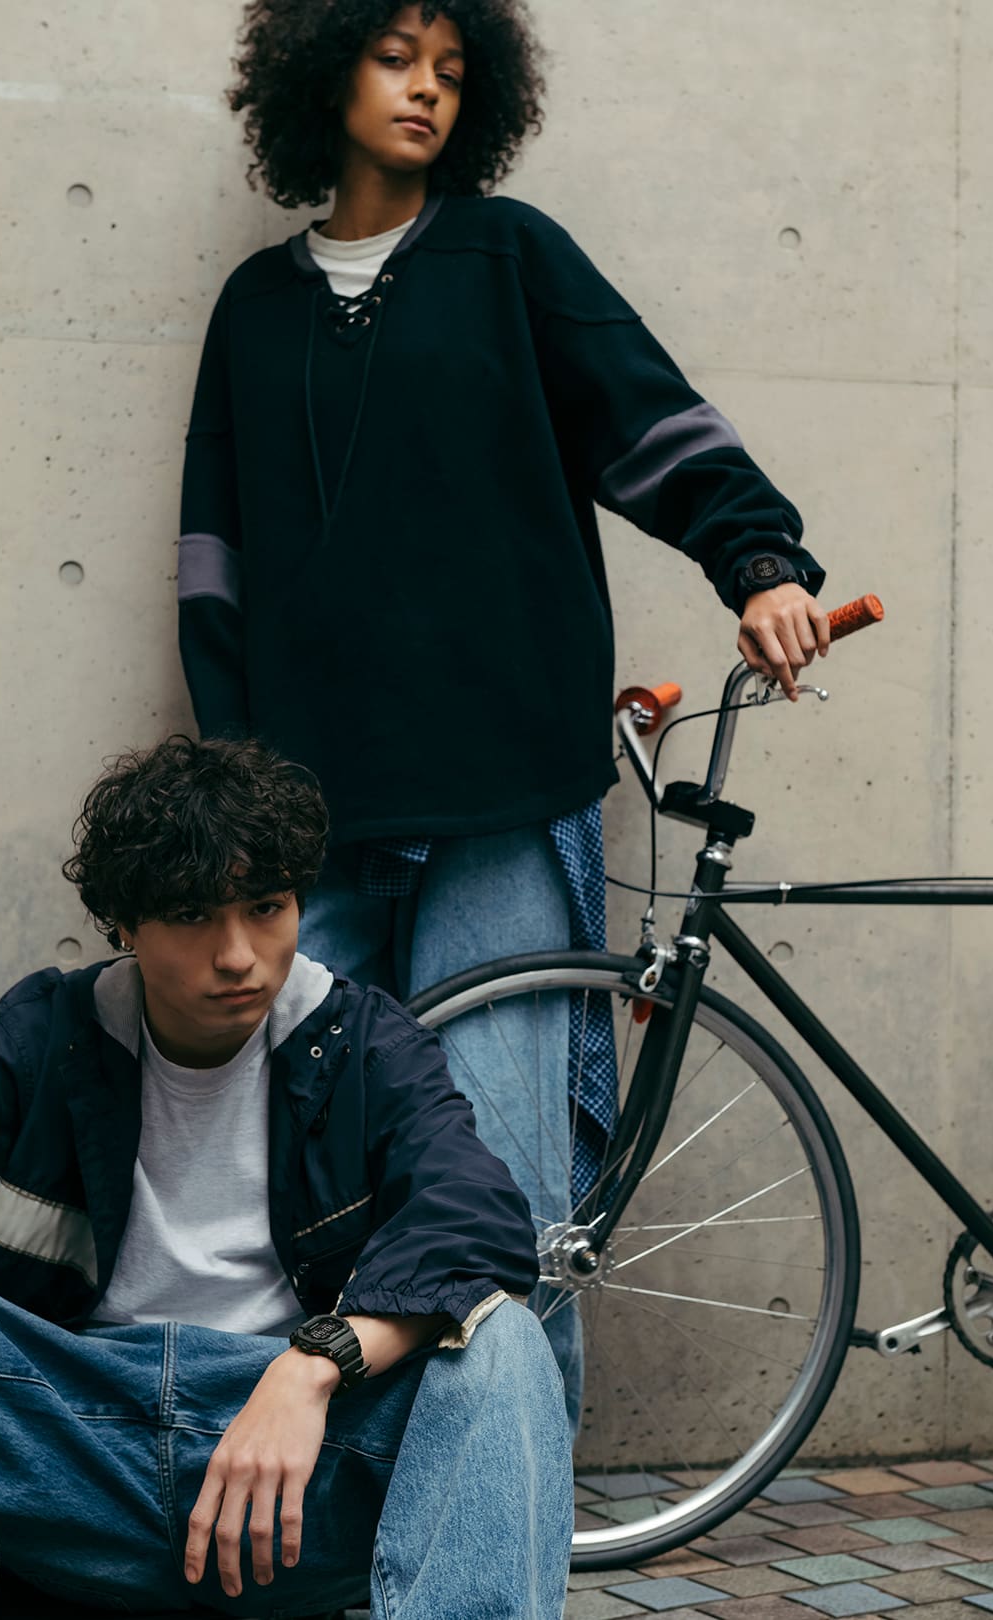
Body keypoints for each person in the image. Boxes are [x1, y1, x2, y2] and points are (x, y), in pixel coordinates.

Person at [177, 0, 830, 1412]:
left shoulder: (506, 255)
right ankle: (317, 1495)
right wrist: (240, 797)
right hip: (313, 817)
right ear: (322, 70)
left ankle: (503, 1508)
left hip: (497, 792)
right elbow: (212, 566)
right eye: (396, 57)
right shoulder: (255, 306)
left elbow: (649, 417)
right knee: (308, 1175)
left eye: (454, 71)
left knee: (509, 1184)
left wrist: (759, 559)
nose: (426, 91)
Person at [0, 736, 573, 1620]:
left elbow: (478, 1220)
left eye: (266, 907)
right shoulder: (41, 1038)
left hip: (296, 1471)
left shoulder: (362, 1044)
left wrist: (315, 1367)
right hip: (68, 1447)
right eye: (195, 916)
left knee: (503, 1342)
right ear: (125, 921)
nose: (239, 955)